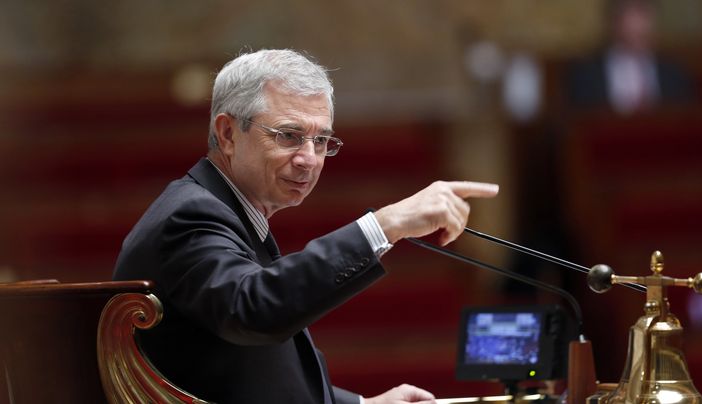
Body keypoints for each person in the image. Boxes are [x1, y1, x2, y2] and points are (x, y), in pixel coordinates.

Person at [113, 49, 499, 404]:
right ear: (228, 133)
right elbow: (254, 309)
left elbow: (248, 375)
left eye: (321, 140)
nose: (309, 159)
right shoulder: (191, 216)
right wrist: (383, 226)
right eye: (289, 136)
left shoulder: (230, 211)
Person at [566, 0, 693, 115]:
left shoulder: (674, 74)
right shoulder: (586, 75)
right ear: (614, 21)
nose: (642, 25)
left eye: (646, 13)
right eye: (633, 13)